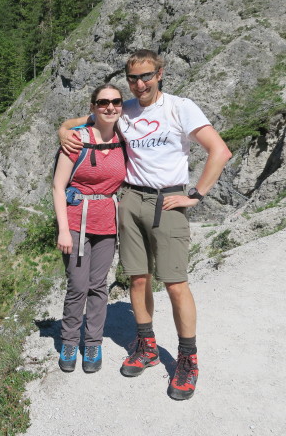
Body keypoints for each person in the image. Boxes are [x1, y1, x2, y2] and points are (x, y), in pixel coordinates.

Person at [58, 49, 232, 399]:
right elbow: (87, 119)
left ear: (160, 73)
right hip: (130, 199)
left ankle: (187, 360)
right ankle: (147, 345)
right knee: (137, 278)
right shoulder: (125, 110)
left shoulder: (180, 108)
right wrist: (64, 128)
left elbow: (220, 151)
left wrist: (195, 195)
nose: (140, 84)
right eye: (133, 78)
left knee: (175, 283)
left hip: (167, 200)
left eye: (147, 76)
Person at [53, 83, 127, 373]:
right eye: (103, 102)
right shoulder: (76, 141)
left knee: (98, 287)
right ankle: (70, 341)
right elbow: (58, 186)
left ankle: (93, 342)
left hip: (107, 223)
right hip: (75, 222)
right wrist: (62, 229)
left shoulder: (125, 137)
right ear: (93, 107)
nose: (110, 107)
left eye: (116, 102)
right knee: (77, 286)